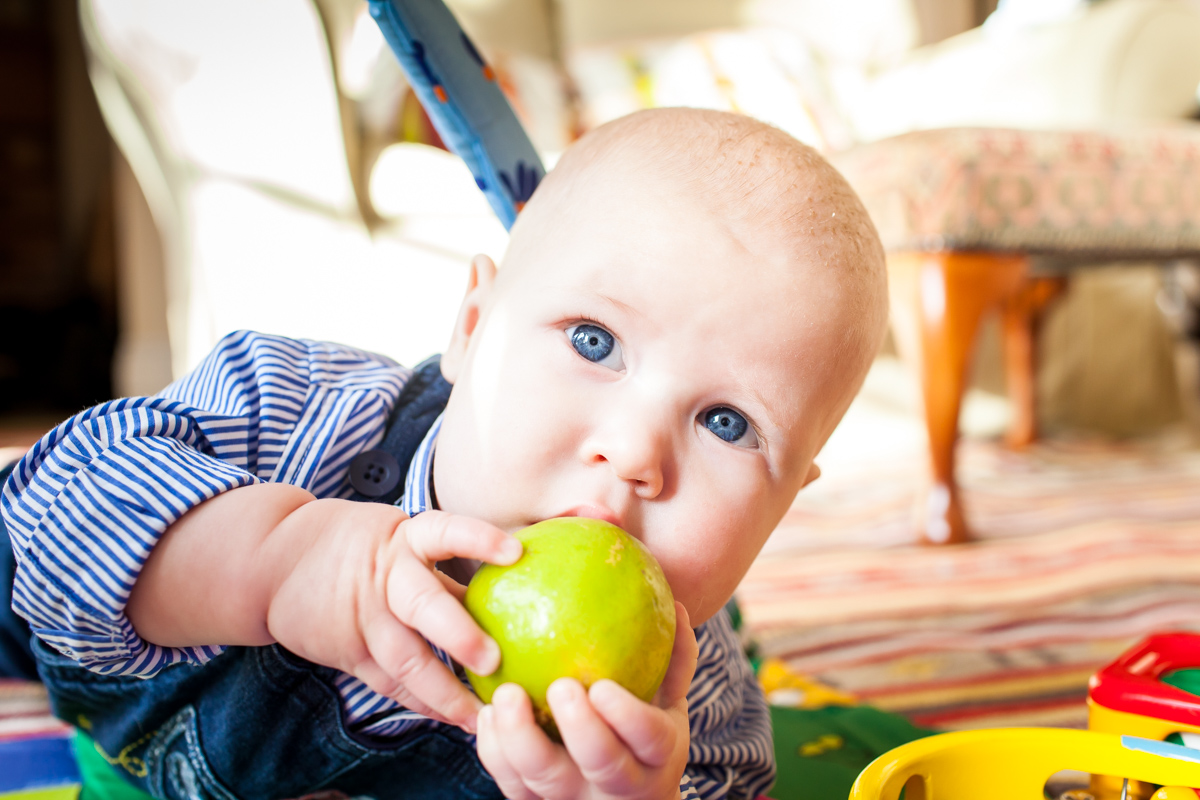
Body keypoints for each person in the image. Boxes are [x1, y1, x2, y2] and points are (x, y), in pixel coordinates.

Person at [0, 107, 887, 800]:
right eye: (592, 341)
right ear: (472, 326)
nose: (633, 455)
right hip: (95, 647)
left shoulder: (690, 716)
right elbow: (55, 509)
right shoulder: (293, 413)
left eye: (727, 423)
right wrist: (283, 561)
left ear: (787, 502)